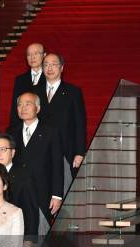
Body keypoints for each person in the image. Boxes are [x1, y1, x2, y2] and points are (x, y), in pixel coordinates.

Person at [7, 92, 63, 236]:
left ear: (37, 108)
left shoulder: (51, 132)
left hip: (41, 193)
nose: (23, 108)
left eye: (28, 104)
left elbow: (57, 165)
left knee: (38, 237)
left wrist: (57, 195)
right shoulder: (11, 132)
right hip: (17, 193)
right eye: (19, 105)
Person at [34, 53, 86, 187]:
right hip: (40, 148)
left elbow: (79, 124)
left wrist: (80, 152)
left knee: (65, 187)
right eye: (45, 65)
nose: (49, 68)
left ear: (62, 68)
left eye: (53, 64)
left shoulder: (73, 92)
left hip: (65, 149)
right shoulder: (34, 92)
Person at [9, 43, 46, 125]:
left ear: (44, 55)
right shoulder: (20, 79)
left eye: (36, 53)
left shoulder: (49, 77)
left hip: (45, 125)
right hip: (24, 125)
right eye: (29, 54)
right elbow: (15, 107)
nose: (32, 57)